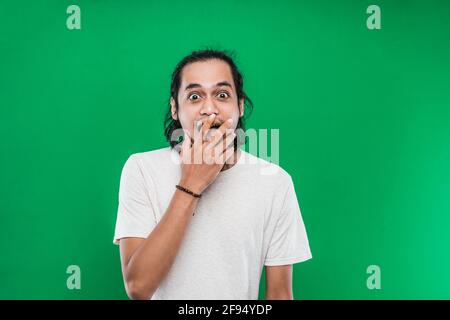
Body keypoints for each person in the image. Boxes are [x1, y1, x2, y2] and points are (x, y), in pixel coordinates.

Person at [113, 49, 312, 300]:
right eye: (195, 96)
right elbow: (138, 287)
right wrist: (191, 183)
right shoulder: (141, 169)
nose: (210, 108)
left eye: (222, 95)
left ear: (239, 105)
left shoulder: (276, 182)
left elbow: (280, 295)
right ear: (175, 108)